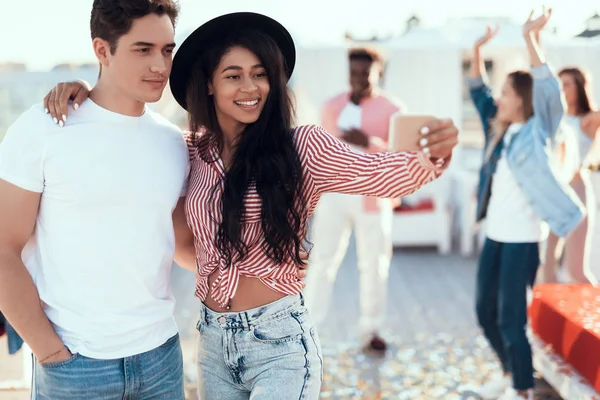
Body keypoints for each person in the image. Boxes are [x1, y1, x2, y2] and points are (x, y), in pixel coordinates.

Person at [46, 12, 459, 399]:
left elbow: (386, 174)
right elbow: (131, 142)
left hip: (280, 344)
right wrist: (89, 96)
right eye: (234, 75)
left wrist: (433, 151)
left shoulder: (303, 148)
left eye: (260, 74)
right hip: (210, 343)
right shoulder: (188, 152)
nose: (250, 87)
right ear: (209, 83)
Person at [0, 1, 189, 398]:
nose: (160, 64)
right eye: (144, 49)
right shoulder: (44, 128)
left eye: (167, 50)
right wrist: (51, 352)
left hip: (161, 358)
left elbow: (178, 243)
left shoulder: (172, 142)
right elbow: (4, 248)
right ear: (102, 50)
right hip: (75, 366)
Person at [467, 8, 585, 400]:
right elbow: (477, 91)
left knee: (510, 320)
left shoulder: (539, 132)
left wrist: (530, 38)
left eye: (505, 94)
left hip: (521, 241)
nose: (498, 99)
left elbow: (549, 90)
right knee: (485, 312)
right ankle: (511, 373)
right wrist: (476, 50)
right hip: (495, 237)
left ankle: (522, 391)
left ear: (521, 99)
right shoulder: (497, 132)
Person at [303, 46, 402, 352]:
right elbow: (320, 153)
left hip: (373, 198)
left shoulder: (393, 109)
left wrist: (369, 142)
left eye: (365, 73)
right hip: (335, 196)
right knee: (321, 263)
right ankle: (308, 328)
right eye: (353, 73)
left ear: (379, 73)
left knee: (374, 265)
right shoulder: (331, 106)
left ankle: (372, 330)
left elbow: (402, 157)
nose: (358, 79)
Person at [539, 66, 600, 284]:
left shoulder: (588, 120)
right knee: (547, 264)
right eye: (560, 84)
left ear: (580, 88)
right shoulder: (555, 119)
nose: (562, 89)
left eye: (568, 84)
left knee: (575, 270)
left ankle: (595, 314)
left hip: (577, 194)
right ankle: (549, 315)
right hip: (555, 195)